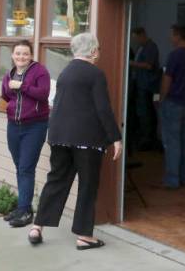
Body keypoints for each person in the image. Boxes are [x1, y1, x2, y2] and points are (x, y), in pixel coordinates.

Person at [28, 33, 122, 251]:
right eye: (97, 49)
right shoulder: (95, 74)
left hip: (59, 137)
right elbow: (103, 108)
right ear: (92, 51)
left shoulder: (65, 72)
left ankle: (37, 227)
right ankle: (84, 236)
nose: (98, 52)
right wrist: (115, 137)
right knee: (87, 185)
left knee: (56, 180)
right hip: (87, 140)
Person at [0, 40, 50, 228]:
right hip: (13, 125)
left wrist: (21, 86)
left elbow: (43, 94)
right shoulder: (9, 74)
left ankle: (25, 211)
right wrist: (0, 100)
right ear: (13, 55)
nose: (21, 57)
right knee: (19, 166)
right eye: (18, 54)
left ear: (31, 56)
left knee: (26, 168)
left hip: (35, 126)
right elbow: (6, 97)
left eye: (25, 54)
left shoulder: (40, 71)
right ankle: (22, 207)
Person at [159, 24, 185, 188]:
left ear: (178, 36)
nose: (171, 38)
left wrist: (162, 98)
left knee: (172, 141)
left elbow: (167, 78)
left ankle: (172, 179)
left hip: (174, 102)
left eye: (172, 35)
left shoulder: (175, 55)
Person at [128, 26, 160, 151]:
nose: (136, 41)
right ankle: (143, 137)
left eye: (136, 38)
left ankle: (148, 139)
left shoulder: (151, 47)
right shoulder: (142, 47)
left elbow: (149, 65)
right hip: (141, 84)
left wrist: (132, 63)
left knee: (147, 112)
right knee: (142, 112)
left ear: (142, 35)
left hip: (148, 86)